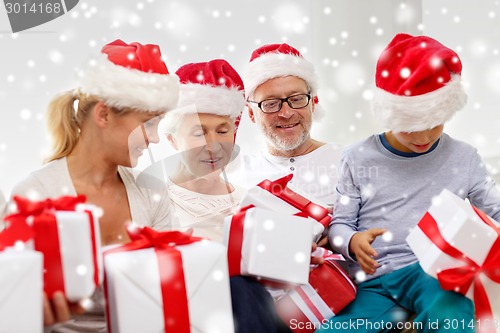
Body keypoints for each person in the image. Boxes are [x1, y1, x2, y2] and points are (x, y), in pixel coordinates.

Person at [317, 33, 500, 333]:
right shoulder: (357, 158)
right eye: (409, 128)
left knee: (451, 319)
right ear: (389, 114)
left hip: (434, 275)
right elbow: (340, 225)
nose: (423, 137)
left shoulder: (464, 157)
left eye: (434, 125)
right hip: (374, 282)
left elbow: (495, 210)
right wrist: (352, 241)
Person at [10, 39, 180, 332]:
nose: (154, 140)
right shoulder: (35, 194)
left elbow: (167, 292)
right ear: (103, 115)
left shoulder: (152, 192)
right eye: (148, 124)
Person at [141, 58, 292, 333]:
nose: (213, 146)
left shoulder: (253, 203)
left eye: (223, 131)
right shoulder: (152, 203)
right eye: (199, 133)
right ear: (173, 140)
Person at [229, 43, 343, 215]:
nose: (286, 113)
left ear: (313, 102)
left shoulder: (348, 163)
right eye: (271, 103)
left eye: (297, 99)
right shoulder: (237, 177)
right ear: (251, 113)